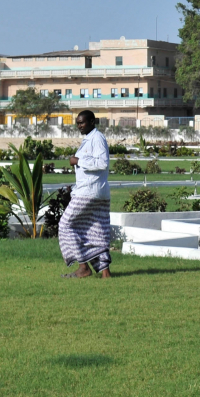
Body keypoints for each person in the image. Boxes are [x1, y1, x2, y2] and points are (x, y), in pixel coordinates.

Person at [60, 110, 112, 279]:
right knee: (97, 230)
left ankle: (83, 266)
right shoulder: (90, 138)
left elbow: (102, 163)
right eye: (77, 123)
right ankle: (105, 273)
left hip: (89, 192)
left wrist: (78, 161)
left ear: (92, 122)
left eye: (82, 122)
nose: (79, 126)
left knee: (66, 225)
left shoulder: (97, 138)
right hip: (96, 192)